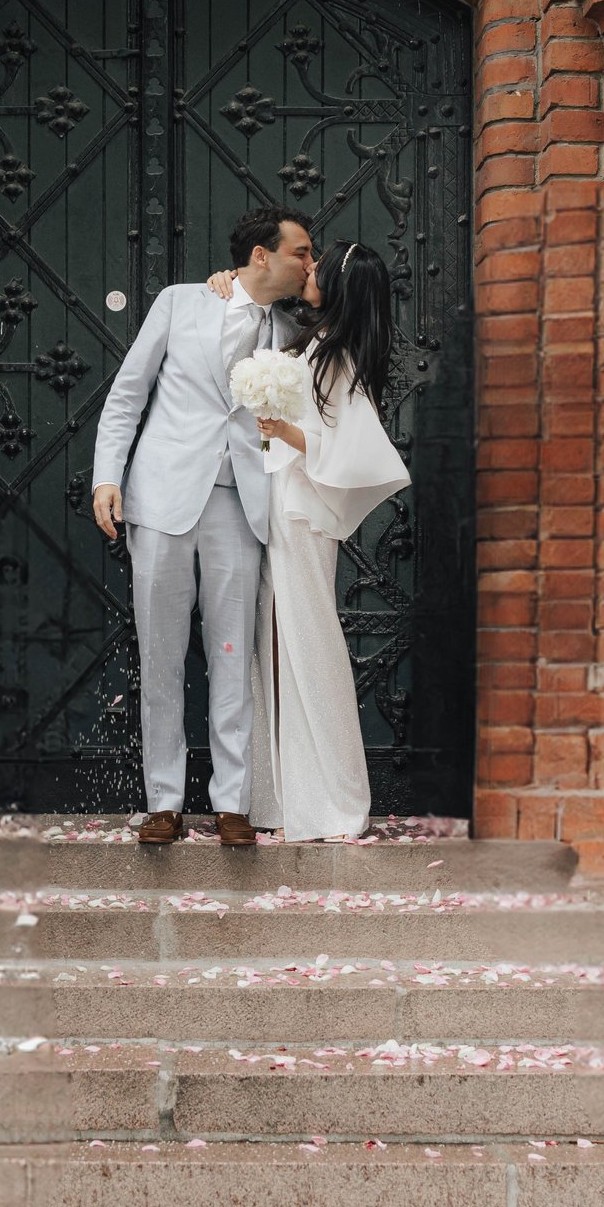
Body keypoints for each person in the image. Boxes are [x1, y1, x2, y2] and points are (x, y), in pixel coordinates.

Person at [91, 207, 315, 847]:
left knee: (230, 652)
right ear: (262, 256)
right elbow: (128, 395)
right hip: (161, 497)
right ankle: (163, 799)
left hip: (239, 505)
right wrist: (108, 477)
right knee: (160, 653)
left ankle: (232, 803)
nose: (309, 262)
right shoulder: (180, 302)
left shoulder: (292, 329)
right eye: (300, 251)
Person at [206, 242, 410, 841]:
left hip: (302, 516)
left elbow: (356, 449)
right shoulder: (313, 340)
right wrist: (227, 278)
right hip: (279, 505)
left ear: (344, 287)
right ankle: (287, 797)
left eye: (321, 269)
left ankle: (337, 798)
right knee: (274, 646)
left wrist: (284, 432)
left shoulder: (340, 356)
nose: (310, 271)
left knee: (309, 642)